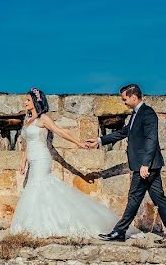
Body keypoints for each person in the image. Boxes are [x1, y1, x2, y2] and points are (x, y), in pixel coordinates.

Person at [9, 87, 126, 238]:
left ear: (36, 102)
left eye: (28, 100)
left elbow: (60, 131)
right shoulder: (28, 119)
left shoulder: (43, 119)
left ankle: (46, 224)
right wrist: (23, 161)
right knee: (34, 189)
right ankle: (32, 224)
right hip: (32, 160)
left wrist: (77, 143)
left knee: (40, 187)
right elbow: (26, 143)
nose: (25, 102)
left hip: (42, 158)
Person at [85, 84, 166, 243]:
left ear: (133, 97)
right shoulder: (136, 115)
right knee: (159, 199)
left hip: (145, 166)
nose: (123, 102)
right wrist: (99, 140)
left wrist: (145, 164)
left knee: (134, 198)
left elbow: (152, 139)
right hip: (149, 166)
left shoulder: (148, 113)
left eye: (124, 99)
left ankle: (119, 232)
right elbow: (123, 132)